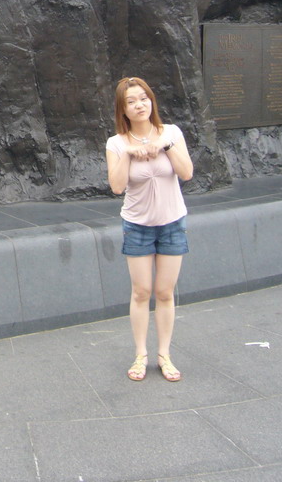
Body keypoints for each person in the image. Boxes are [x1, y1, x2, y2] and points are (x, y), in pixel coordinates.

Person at [106, 77, 194, 383]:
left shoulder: (171, 133)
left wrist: (165, 147)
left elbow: (187, 172)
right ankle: (141, 353)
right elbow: (117, 187)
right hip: (137, 225)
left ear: (151, 101)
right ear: (123, 109)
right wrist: (129, 153)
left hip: (172, 223)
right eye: (131, 101)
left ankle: (164, 354)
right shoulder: (116, 143)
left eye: (144, 98)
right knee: (141, 292)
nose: (139, 105)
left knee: (165, 292)